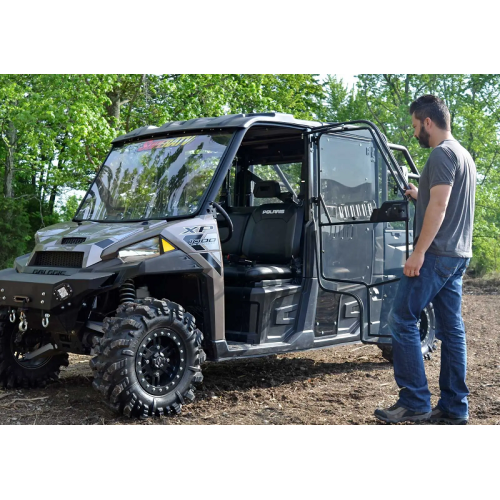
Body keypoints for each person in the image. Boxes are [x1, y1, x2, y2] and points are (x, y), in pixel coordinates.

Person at [374, 94, 476, 425]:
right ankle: (454, 408)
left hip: (435, 255)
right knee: (452, 330)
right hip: (458, 254)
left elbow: (441, 206)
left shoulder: (441, 154)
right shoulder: (463, 155)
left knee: (402, 319)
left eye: (415, 125)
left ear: (428, 123)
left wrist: (417, 253)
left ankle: (414, 400)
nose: (414, 131)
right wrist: (420, 195)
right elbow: (441, 199)